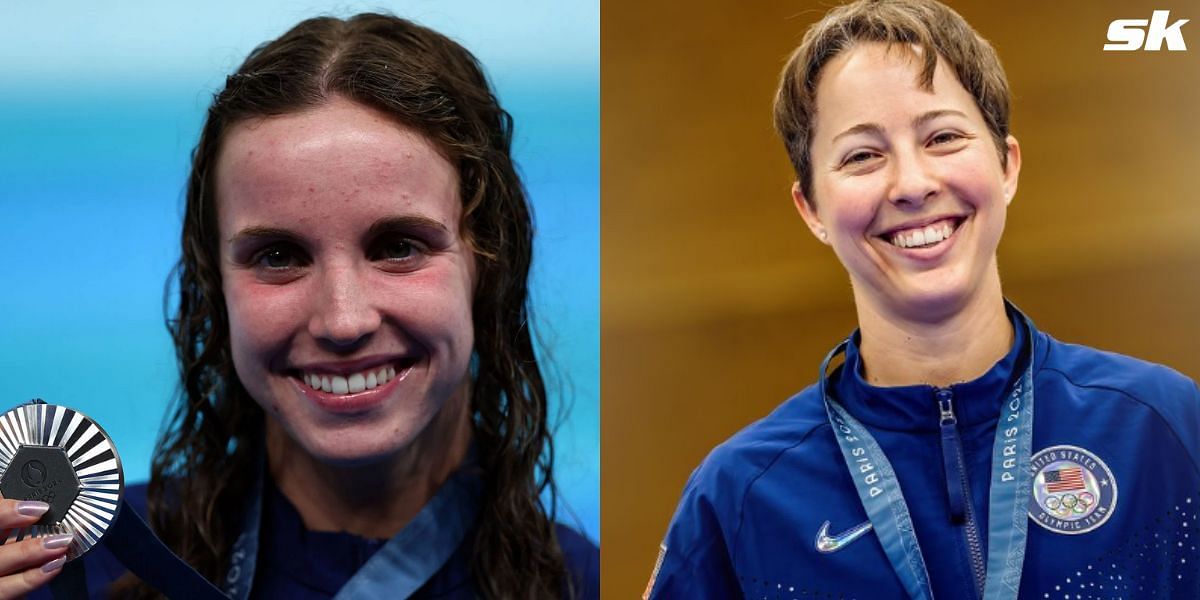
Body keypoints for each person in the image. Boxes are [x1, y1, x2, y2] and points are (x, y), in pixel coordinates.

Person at [7, 13, 597, 600]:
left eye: (398, 247)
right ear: (215, 285)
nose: (343, 321)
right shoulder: (72, 567)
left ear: (489, 263)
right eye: (279, 255)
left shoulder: (583, 584)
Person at [645, 0, 1200, 598]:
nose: (911, 184)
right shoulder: (740, 497)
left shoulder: (1161, 427)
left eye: (942, 136)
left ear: (1006, 167)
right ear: (811, 210)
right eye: (862, 155)